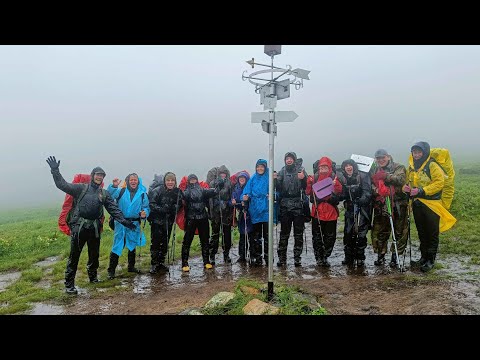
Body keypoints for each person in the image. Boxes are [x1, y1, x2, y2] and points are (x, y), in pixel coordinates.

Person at [46, 156, 136, 295]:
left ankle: (93, 278)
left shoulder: (104, 193)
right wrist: (55, 171)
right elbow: (62, 185)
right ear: (92, 176)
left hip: (94, 228)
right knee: (74, 256)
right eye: (97, 175)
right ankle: (69, 284)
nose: (99, 177)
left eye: (101, 176)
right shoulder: (80, 188)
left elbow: (114, 209)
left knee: (94, 255)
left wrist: (125, 222)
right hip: (79, 227)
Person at [403, 141, 454, 272]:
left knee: (432, 233)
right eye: (414, 152)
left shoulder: (432, 165)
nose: (417, 154)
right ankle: (423, 258)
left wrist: (421, 191)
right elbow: (410, 181)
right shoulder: (412, 166)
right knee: (422, 232)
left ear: (425, 152)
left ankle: (430, 260)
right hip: (417, 204)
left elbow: (439, 182)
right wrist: (407, 188)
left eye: (419, 152)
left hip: (432, 204)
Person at [106, 173, 150, 279]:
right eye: (131, 180)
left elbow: (146, 207)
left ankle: (131, 267)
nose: (133, 181)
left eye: (135, 180)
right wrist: (114, 186)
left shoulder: (143, 194)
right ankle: (111, 271)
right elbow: (109, 196)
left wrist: (145, 213)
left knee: (132, 244)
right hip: (121, 223)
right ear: (127, 181)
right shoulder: (121, 191)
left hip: (134, 224)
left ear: (138, 181)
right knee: (117, 245)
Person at [370, 149, 408, 267]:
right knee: (380, 231)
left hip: (398, 204)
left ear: (388, 157)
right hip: (381, 204)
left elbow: (401, 180)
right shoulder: (375, 169)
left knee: (399, 231)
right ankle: (380, 255)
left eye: (383, 157)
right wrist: (377, 190)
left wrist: (386, 176)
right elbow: (370, 183)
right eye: (378, 158)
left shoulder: (398, 167)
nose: (381, 160)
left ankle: (394, 256)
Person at [306, 157, 343, 267]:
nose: (323, 169)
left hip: (331, 212)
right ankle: (319, 257)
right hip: (317, 212)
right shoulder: (314, 178)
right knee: (317, 236)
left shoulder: (335, 178)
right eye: (321, 167)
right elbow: (308, 192)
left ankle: (326, 255)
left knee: (330, 237)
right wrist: (308, 184)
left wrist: (335, 185)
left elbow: (339, 192)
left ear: (329, 167)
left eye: (325, 167)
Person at [336, 159, 372, 266]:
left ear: (354, 166)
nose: (348, 167)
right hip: (350, 210)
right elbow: (342, 195)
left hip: (362, 210)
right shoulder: (343, 179)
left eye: (350, 165)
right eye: (346, 166)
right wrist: (338, 194)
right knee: (348, 234)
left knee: (361, 234)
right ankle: (349, 257)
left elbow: (368, 192)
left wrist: (361, 200)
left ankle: (360, 257)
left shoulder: (363, 176)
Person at [275, 152, 308, 267]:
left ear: (294, 160)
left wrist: (303, 179)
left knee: (298, 234)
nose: (289, 160)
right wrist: (275, 180)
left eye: (290, 159)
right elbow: (277, 188)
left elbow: (305, 187)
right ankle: (282, 258)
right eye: (287, 159)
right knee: (284, 233)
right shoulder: (281, 171)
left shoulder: (301, 170)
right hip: (285, 205)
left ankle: (297, 258)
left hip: (298, 205)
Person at [147, 172, 183, 274]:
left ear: (175, 182)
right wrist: (162, 209)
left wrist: (175, 207)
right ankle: (154, 264)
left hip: (169, 221)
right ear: (165, 181)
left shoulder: (177, 192)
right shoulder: (157, 191)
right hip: (157, 221)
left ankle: (161, 262)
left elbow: (180, 203)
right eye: (168, 180)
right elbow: (152, 204)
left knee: (165, 242)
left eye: (172, 180)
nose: (170, 182)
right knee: (156, 242)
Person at [181, 174, 218, 272]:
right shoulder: (186, 192)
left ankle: (206, 261)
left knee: (205, 240)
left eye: (194, 179)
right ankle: (184, 262)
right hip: (191, 219)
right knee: (187, 241)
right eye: (191, 180)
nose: (193, 181)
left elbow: (214, 192)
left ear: (197, 180)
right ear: (188, 181)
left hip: (203, 218)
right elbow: (181, 197)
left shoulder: (202, 190)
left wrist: (219, 185)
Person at [242, 159, 269, 266]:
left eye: (262, 167)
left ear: (265, 167)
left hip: (266, 210)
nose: (260, 169)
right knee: (256, 237)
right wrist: (245, 197)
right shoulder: (253, 178)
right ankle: (258, 258)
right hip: (255, 211)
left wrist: (272, 195)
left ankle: (268, 257)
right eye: (258, 167)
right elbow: (246, 192)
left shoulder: (269, 178)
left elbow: (276, 191)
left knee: (267, 236)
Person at [208, 166, 234, 265]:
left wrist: (231, 213)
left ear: (227, 174)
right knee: (214, 234)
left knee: (226, 234)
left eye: (224, 173)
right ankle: (212, 255)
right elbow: (210, 199)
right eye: (221, 173)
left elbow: (232, 197)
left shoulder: (230, 183)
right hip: (215, 212)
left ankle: (226, 254)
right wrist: (211, 213)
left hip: (226, 212)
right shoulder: (212, 183)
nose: (223, 174)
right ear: (218, 174)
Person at [231, 171, 253, 263]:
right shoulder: (235, 189)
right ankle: (242, 256)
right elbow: (232, 200)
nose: (242, 179)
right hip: (241, 214)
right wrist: (234, 203)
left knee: (251, 235)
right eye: (240, 178)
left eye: (243, 178)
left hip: (250, 214)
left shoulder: (250, 187)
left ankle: (252, 255)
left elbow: (253, 197)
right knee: (242, 236)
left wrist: (247, 201)